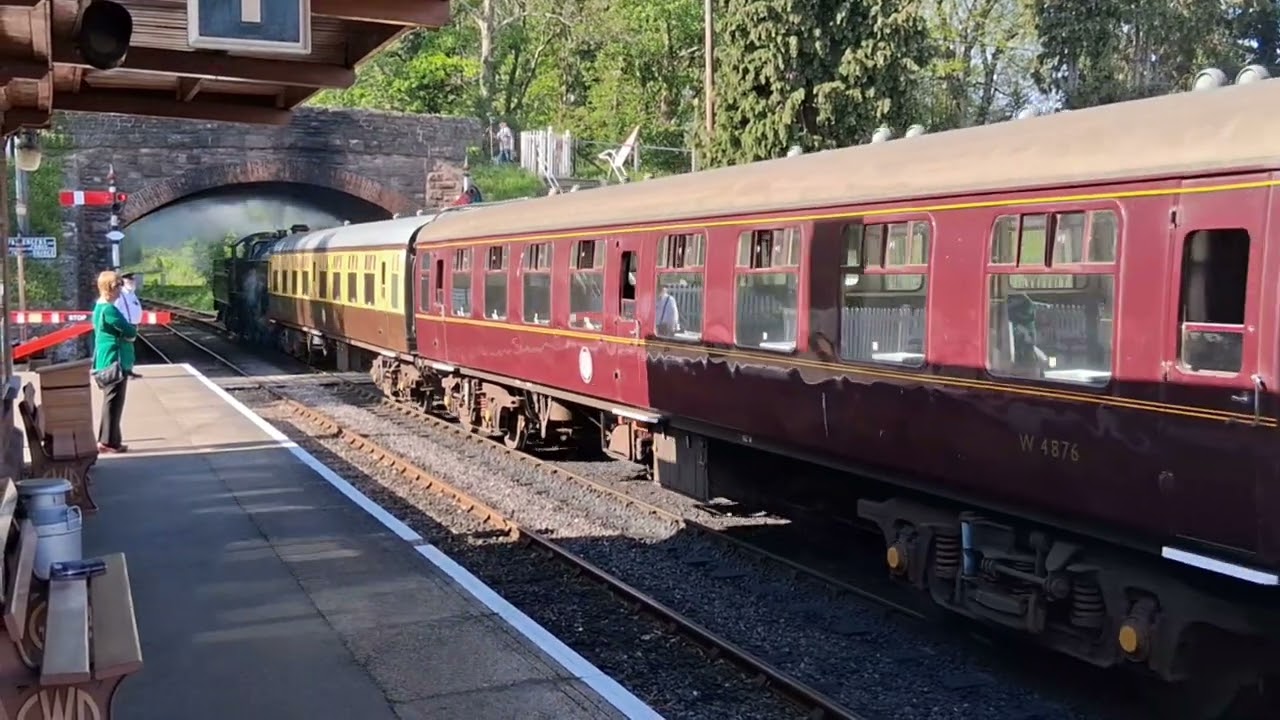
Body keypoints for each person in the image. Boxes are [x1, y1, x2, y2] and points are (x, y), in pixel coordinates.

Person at [93, 270, 136, 453]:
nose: (120, 289)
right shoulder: (109, 310)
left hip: (108, 359)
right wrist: (130, 331)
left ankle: (111, 440)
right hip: (114, 360)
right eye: (118, 285)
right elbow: (130, 331)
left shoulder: (100, 307)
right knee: (114, 402)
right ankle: (108, 442)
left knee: (112, 401)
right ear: (111, 288)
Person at [113, 272, 144, 379]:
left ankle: (128, 369)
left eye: (132, 280)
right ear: (122, 282)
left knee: (129, 349)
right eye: (129, 280)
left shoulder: (132, 294)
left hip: (132, 325)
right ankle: (123, 371)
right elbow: (115, 310)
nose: (131, 282)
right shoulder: (120, 295)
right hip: (125, 325)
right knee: (124, 348)